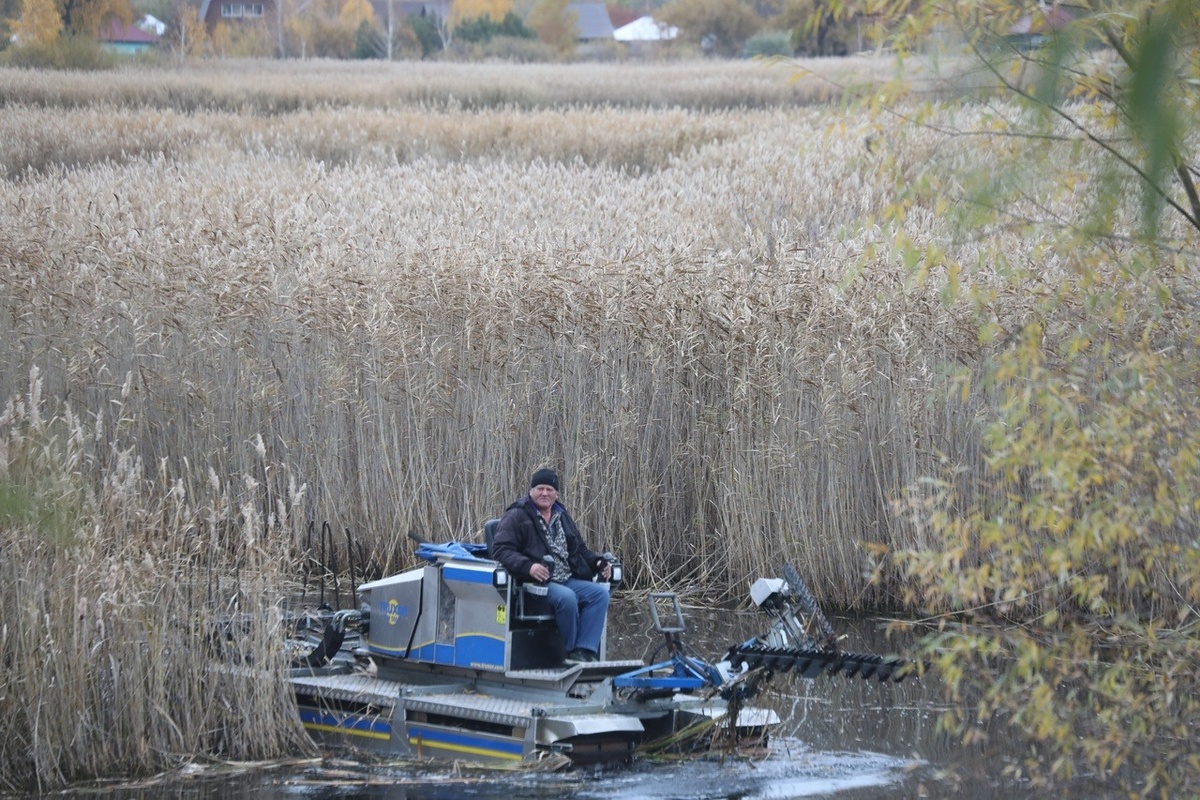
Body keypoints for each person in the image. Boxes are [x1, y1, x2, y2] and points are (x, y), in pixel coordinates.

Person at [491, 468, 612, 663]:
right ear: (531, 491)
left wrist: (598, 562)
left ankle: (585, 650)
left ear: (556, 494)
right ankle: (572, 651)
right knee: (568, 598)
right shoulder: (517, 515)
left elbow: (579, 550)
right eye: (540, 488)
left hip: (567, 578)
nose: (545, 493)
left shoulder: (562, 516)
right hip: (535, 583)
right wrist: (529, 567)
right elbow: (501, 549)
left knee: (600, 594)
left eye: (549, 489)